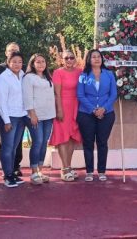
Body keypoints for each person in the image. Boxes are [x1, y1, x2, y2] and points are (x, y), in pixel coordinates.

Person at [76, 50, 117, 181]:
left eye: (98, 57)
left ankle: (101, 171)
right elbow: (80, 95)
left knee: (102, 143)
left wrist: (103, 109)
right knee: (88, 143)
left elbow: (113, 94)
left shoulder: (109, 74)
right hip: (86, 113)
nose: (96, 59)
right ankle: (89, 171)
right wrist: (94, 110)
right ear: (89, 59)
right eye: (93, 57)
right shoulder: (83, 75)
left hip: (106, 113)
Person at [23, 53, 57, 184]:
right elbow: (27, 97)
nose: (41, 64)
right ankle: (33, 173)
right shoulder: (28, 78)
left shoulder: (48, 77)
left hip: (49, 115)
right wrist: (32, 114)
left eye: (43, 61)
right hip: (35, 116)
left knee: (44, 143)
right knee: (37, 142)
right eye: (38, 62)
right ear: (32, 64)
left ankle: (40, 171)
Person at [0, 51, 28, 188]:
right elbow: (1, 101)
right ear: (8, 62)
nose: (17, 64)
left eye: (20, 62)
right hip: (9, 117)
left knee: (14, 147)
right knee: (7, 147)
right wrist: (6, 120)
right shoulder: (3, 77)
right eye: (14, 61)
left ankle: (12, 173)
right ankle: (7, 175)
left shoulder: (22, 75)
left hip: (21, 116)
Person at [50, 51, 83, 182]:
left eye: (71, 57)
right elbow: (57, 94)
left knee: (72, 137)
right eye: (66, 58)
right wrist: (59, 110)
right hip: (63, 106)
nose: (69, 60)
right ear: (62, 60)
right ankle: (64, 169)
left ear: (75, 59)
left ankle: (68, 167)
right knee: (63, 137)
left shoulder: (80, 71)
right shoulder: (58, 72)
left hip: (76, 107)